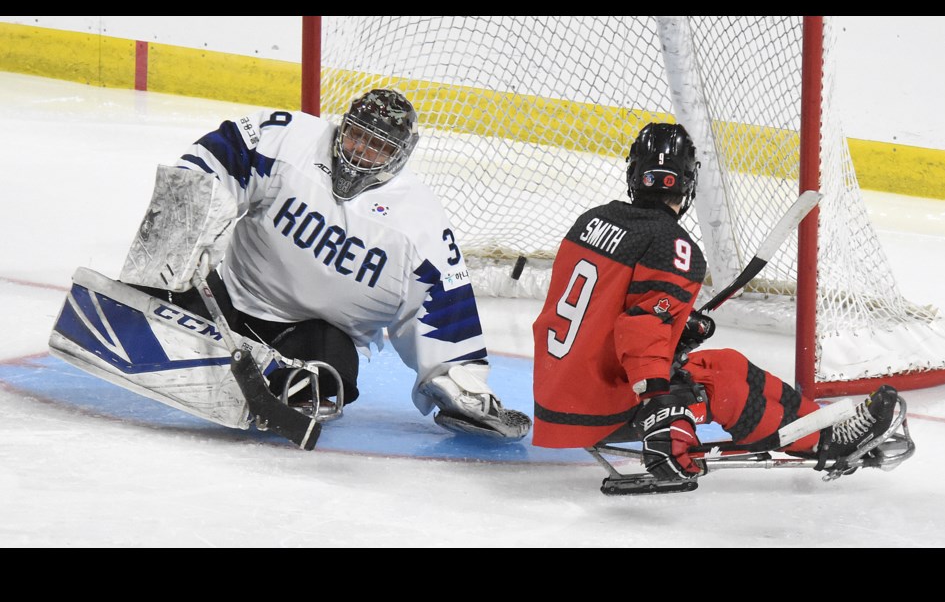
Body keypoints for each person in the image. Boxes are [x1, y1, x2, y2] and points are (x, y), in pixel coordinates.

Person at [125, 88, 531, 441]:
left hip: (308, 342)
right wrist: (194, 221)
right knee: (169, 271)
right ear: (342, 127)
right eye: (356, 136)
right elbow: (218, 158)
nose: (360, 152)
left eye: (378, 146)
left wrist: (460, 382)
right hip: (229, 304)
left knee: (333, 366)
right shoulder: (288, 138)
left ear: (400, 155)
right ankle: (140, 321)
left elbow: (443, 306)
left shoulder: (420, 223)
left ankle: (288, 388)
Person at [531, 122, 898, 480]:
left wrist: (679, 327)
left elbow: (605, 306)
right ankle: (826, 445)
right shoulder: (672, 245)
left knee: (726, 362)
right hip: (598, 409)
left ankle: (825, 427)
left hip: (556, 393)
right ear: (689, 182)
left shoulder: (592, 220)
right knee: (722, 386)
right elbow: (642, 329)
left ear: (634, 174)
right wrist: (659, 402)